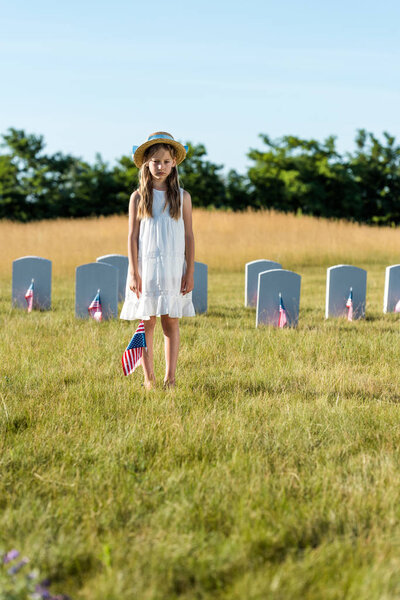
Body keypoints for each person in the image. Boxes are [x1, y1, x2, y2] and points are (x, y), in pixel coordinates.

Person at [120, 132, 195, 389]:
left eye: (165, 161)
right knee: (147, 321)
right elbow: (132, 236)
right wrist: (133, 271)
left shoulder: (182, 197)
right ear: (146, 164)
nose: (160, 167)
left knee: (170, 321)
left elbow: (189, 236)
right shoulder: (138, 197)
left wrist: (190, 271)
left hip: (174, 269)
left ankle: (170, 378)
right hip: (146, 268)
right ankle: (149, 379)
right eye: (155, 162)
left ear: (174, 162)